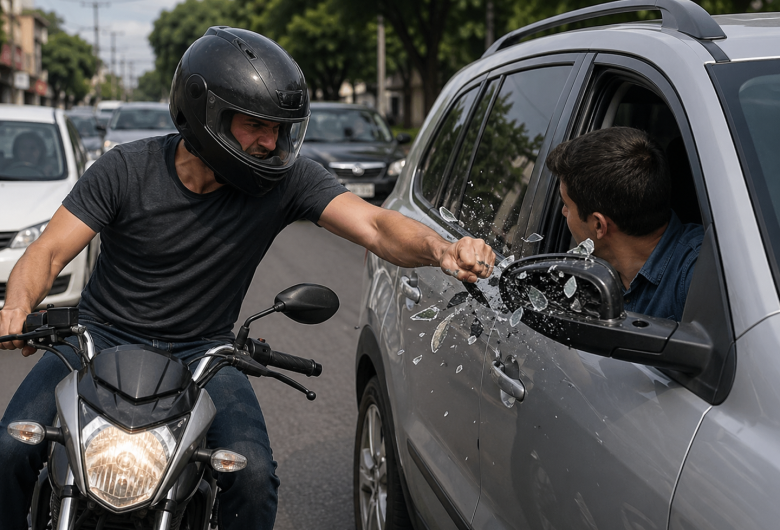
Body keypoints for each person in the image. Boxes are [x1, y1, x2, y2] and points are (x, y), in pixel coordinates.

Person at [0, 27, 494, 529]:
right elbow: (49, 250)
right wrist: (17, 307)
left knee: (253, 475)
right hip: (98, 337)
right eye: (256, 125)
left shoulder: (286, 181)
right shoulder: (123, 169)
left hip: (203, 352)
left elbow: (374, 224)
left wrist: (442, 248)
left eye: (280, 129)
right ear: (207, 114)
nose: (271, 142)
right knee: (9, 448)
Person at [546, 126, 703, 321]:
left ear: (599, 225)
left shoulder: (700, 275)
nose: (563, 212)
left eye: (567, 205)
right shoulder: (586, 276)